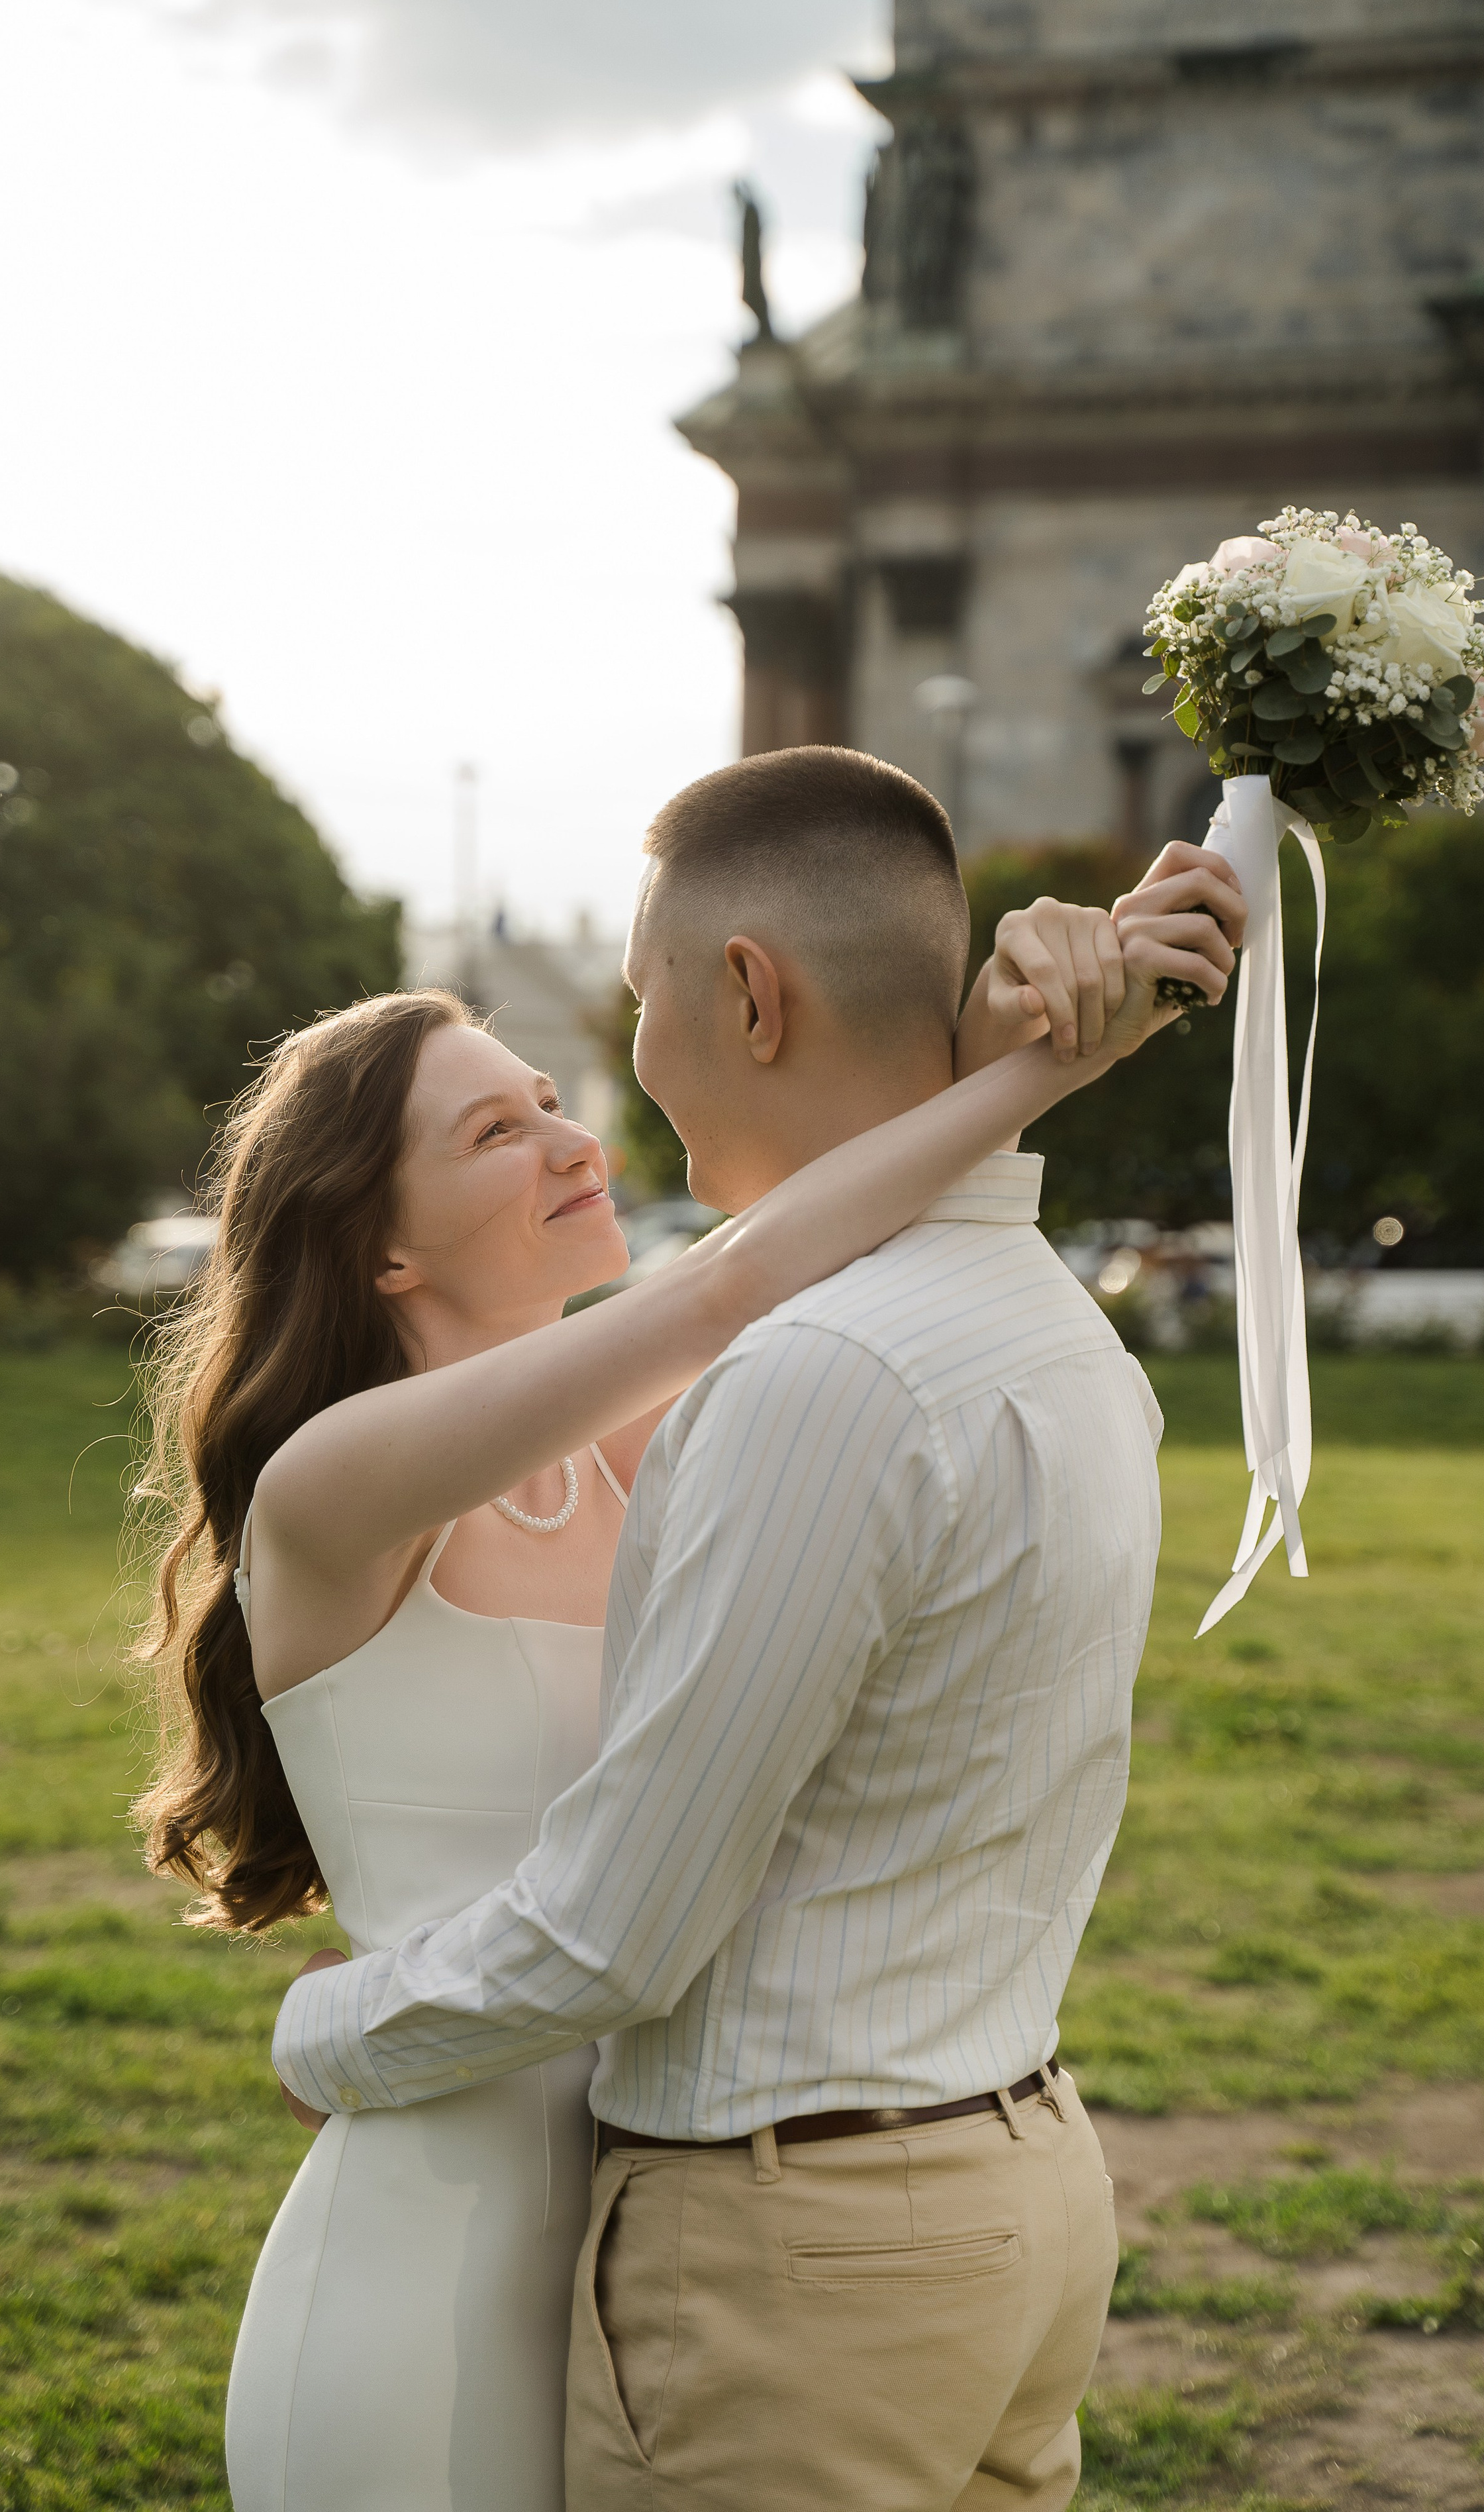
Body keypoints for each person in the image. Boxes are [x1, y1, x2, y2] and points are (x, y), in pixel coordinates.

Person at [136, 747, 1242, 2512]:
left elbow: (842, 1262)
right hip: (445, 2227)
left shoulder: (686, 1431)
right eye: (499, 1129)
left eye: (550, 1091)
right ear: (383, 1253)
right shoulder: (337, 1484)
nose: (583, 1129)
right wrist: (1039, 1062)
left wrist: (978, 1016)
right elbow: (751, 1270)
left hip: (687, 2215)